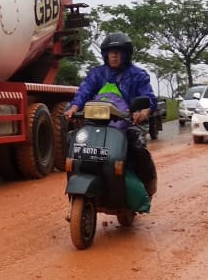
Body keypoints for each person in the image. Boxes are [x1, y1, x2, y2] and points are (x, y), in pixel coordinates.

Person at [64, 32, 158, 195]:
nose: (113, 56)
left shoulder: (137, 75)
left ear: (126, 54)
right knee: (73, 140)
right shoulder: (97, 74)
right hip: (96, 124)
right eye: (110, 52)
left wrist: (143, 111)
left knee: (139, 149)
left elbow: (148, 98)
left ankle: (147, 186)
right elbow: (84, 91)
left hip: (125, 125)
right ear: (105, 54)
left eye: (118, 52)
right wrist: (74, 107)